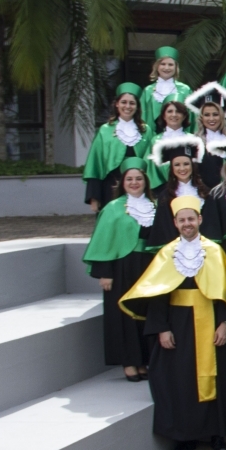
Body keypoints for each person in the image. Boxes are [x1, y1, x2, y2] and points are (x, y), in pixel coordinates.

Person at [118, 195, 226, 450]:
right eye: (182, 220)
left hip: (210, 323)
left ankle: (217, 435)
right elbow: (158, 294)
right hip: (177, 325)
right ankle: (184, 436)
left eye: (191, 218)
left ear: (200, 219)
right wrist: (162, 328)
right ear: (175, 223)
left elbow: (225, 292)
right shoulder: (167, 253)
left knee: (216, 378)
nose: (187, 223)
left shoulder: (214, 252)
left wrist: (224, 322)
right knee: (180, 381)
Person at [82, 160, 155, 382]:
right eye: (129, 179)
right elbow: (103, 241)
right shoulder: (112, 208)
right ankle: (129, 362)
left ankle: (143, 360)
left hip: (148, 266)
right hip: (122, 266)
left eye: (139, 178)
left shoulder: (155, 206)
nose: (134, 183)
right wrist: (105, 272)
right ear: (122, 182)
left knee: (145, 312)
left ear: (146, 181)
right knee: (123, 315)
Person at [84, 82, 155, 210]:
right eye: (124, 102)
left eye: (132, 103)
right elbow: (95, 163)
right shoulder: (105, 130)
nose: (127, 106)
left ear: (137, 106)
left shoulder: (146, 131)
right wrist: (94, 197)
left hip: (139, 187)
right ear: (117, 104)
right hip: (110, 187)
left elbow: (152, 163)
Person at [148, 137, 209, 247]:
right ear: (172, 168)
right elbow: (164, 228)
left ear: (192, 166)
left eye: (186, 164)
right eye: (177, 165)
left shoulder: (205, 192)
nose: (182, 168)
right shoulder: (165, 196)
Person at [139, 46, 193, 130]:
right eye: (163, 64)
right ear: (157, 66)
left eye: (170, 64)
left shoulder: (185, 90)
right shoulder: (148, 91)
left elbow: (191, 117)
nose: (166, 68)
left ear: (176, 67)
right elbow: (142, 117)